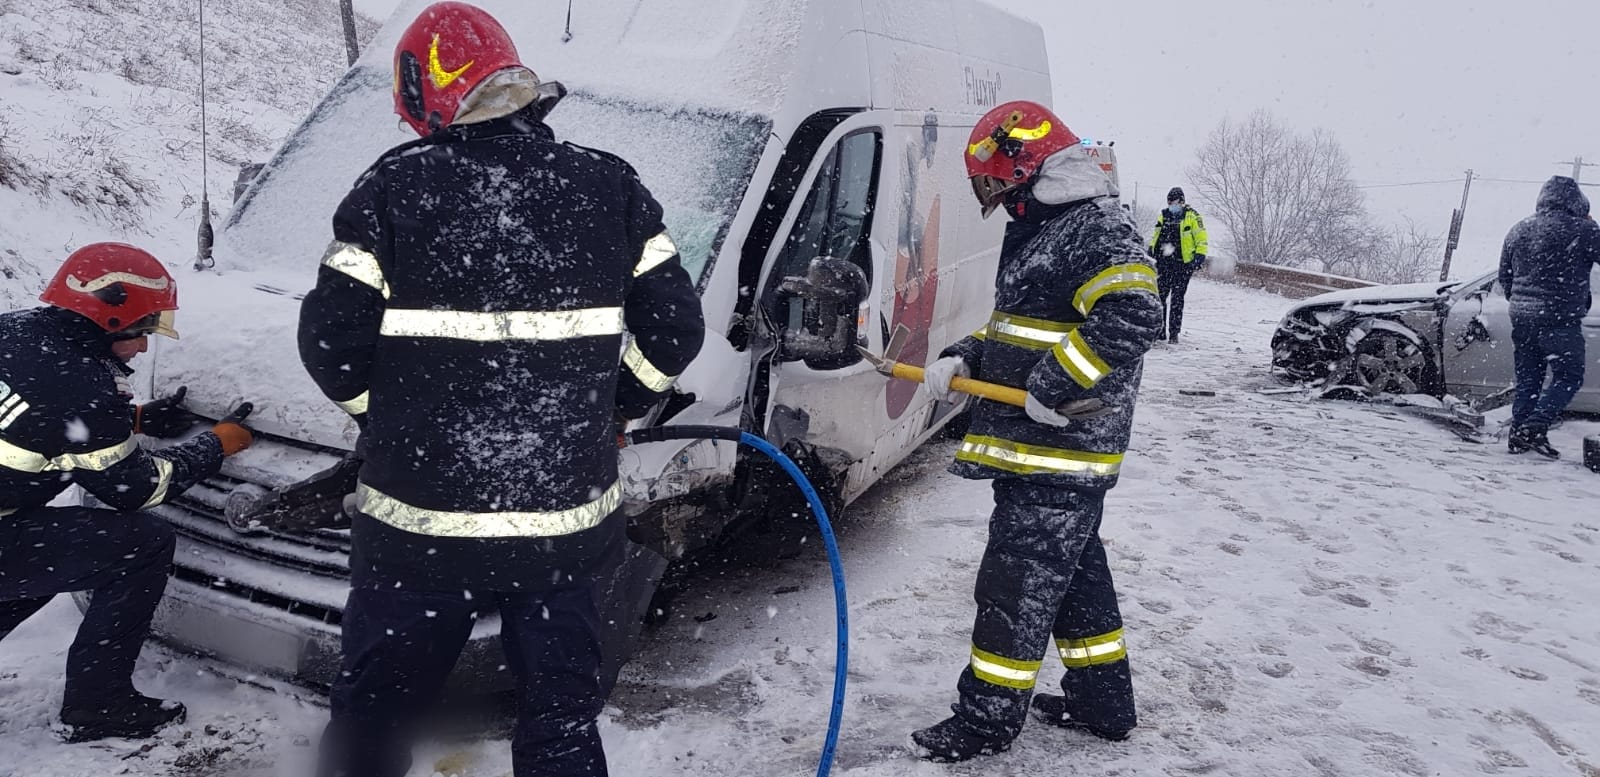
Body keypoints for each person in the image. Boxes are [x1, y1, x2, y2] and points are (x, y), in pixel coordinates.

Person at [297, 4, 704, 776]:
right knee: (560, 726)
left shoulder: (393, 187)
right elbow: (677, 331)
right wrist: (615, 408)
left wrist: (386, 421)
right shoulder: (608, 185)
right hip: (563, 537)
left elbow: (329, 345)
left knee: (372, 725)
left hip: (417, 538)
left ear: (424, 91)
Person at [912, 101, 1162, 762]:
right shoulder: (1049, 227)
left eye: (992, 183)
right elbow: (1024, 329)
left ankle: (986, 720)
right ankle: (1102, 702)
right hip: (1045, 450)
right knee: (1076, 576)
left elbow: (1133, 315)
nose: (990, 198)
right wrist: (965, 356)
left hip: (1061, 444)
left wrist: (1055, 384)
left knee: (1014, 584)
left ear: (1024, 165)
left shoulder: (1092, 226)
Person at [0, 242, 254, 741]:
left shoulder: (16, 331)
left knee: (53, 554)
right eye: (141, 331)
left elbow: (35, 420)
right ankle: (100, 705)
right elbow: (137, 489)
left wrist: (132, 419)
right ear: (107, 321)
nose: (143, 346)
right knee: (140, 545)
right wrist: (216, 445)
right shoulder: (77, 385)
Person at [1498, 175, 1600, 459]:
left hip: (1522, 317)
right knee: (1569, 376)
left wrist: (1521, 301)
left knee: (1529, 380)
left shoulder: (1519, 229)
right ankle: (1533, 428)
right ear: (1577, 202)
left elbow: (1504, 277)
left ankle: (1520, 436)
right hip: (1559, 319)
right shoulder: (1584, 229)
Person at [1147, 187, 1208, 343]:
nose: (1170, 205)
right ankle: (1160, 330)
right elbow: (1156, 236)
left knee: (1177, 299)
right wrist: (1151, 251)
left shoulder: (1192, 217)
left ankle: (1174, 332)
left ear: (1181, 202)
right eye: (1168, 202)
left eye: (1173, 202)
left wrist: (1199, 256)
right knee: (1160, 297)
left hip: (1182, 265)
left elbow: (1201, 238)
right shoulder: (1164, 216)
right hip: (1164, 264)